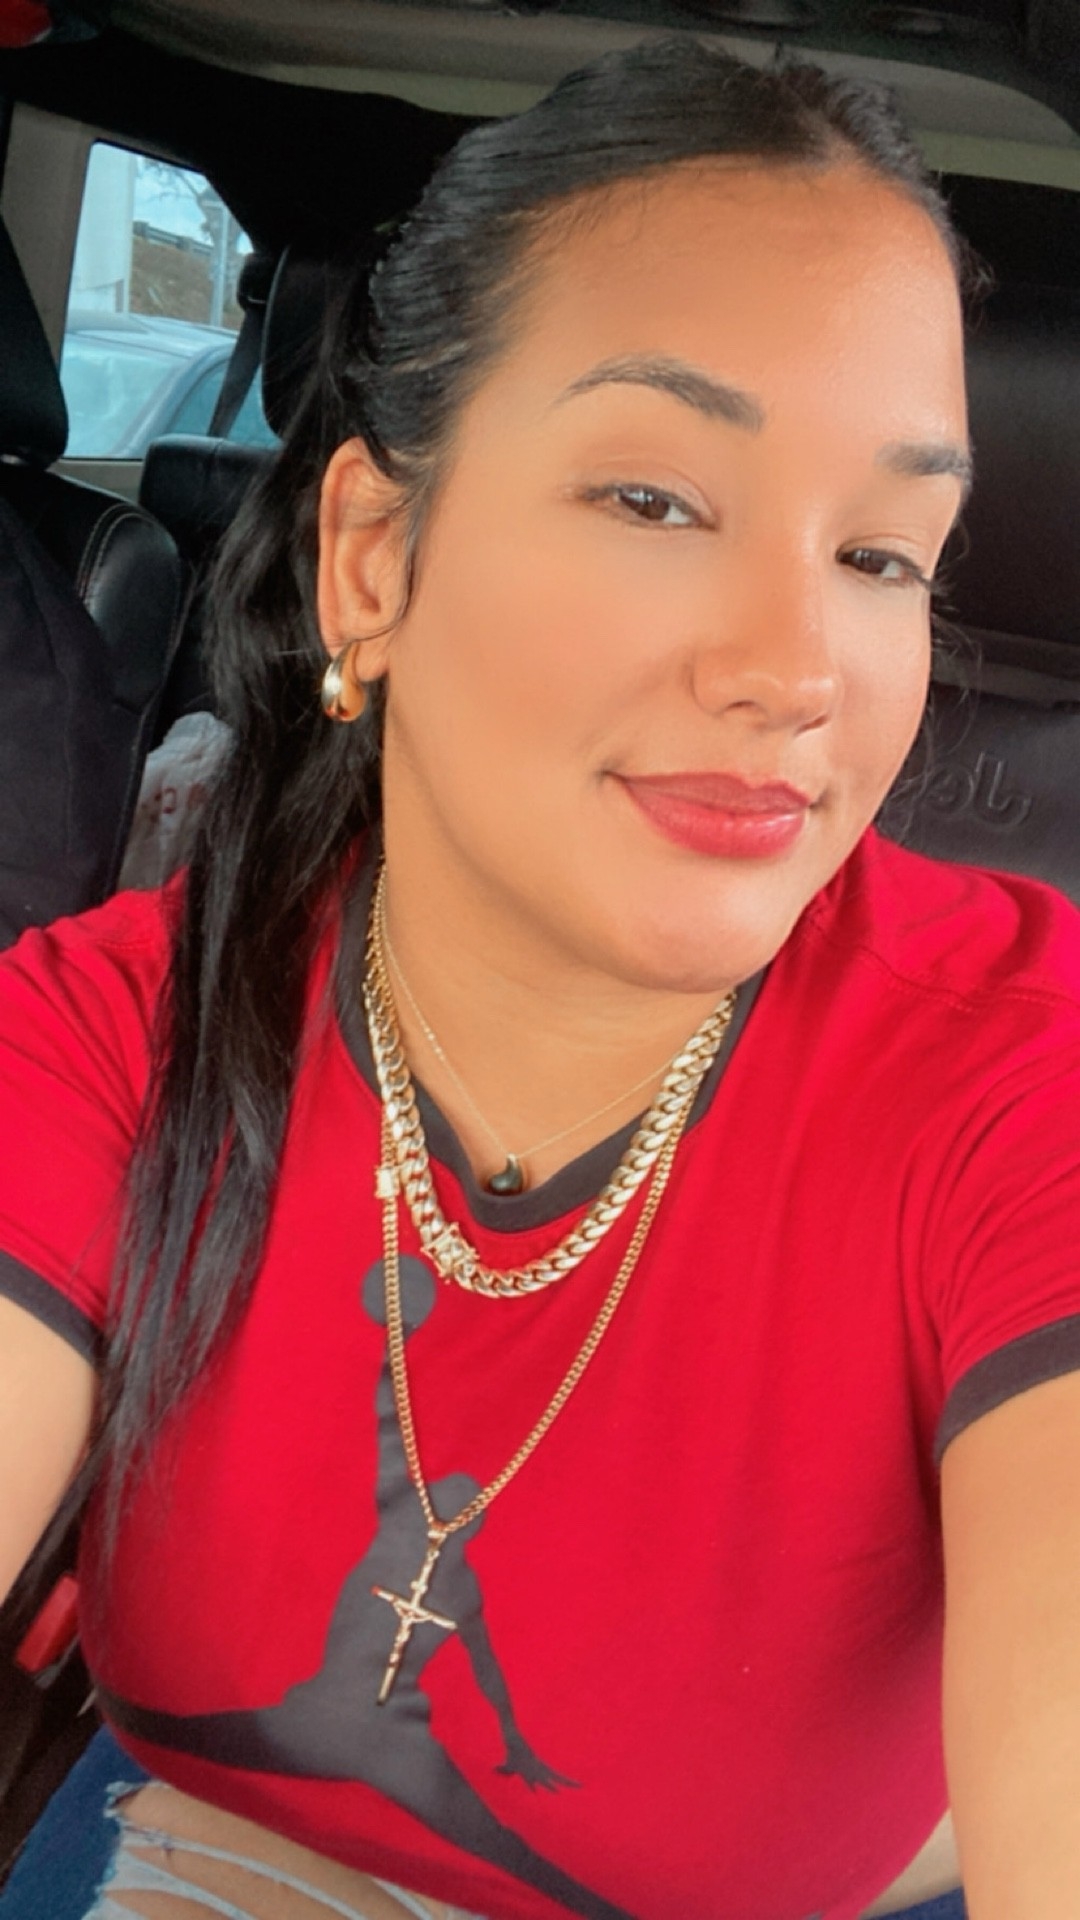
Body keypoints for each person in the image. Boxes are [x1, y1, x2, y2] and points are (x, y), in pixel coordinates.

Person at [0, 35, 1078, 1920]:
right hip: (220, 1846)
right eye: (655, 500)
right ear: (371, 559)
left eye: (882, 554)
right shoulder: (125, 1029)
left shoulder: (1018, 1079)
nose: (796, 669)